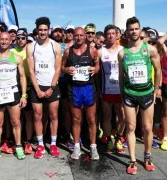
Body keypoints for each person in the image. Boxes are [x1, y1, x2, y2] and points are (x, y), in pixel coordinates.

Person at [118, 16, 162, 175]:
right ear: (127, 32)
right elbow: (121, 75)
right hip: (129, 94)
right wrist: (122, 93)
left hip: (147, 93)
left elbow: (158, 70)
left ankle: (147, 156)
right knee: (130, 127)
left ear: (140, 29)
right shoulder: (123, 53)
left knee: (147, 127)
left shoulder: (149, 49)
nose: (134, 31)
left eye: (136, 28)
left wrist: (157, 89)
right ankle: (132, 159)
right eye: (131, 29)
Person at [0, 32, 27, 161]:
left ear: (10, 41)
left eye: (6, 39)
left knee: (16, 122)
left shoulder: (17, 57)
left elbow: (22, 77)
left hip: (13, 92)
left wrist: (24, 95)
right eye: (1, 39)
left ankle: (18, 147)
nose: (3, 42)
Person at [62, 27, 100, 160]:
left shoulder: (92, 50)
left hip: (88, 88)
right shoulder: (68, 51)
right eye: (76, 36)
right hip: (74, 89)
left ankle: (93, 147)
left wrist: (95, 69)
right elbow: (62, 67)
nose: (78, 38)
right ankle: (77, 147)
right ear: (73, 37)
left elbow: (97, 65)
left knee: (91, 119)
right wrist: (67, 69)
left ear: (85, 36)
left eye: (81, 35)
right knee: (76, 119)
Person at [26, 17, 62, 159]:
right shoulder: (31, 46)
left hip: (52, 85)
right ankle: (40, 144)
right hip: (37, 86)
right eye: (40, 30)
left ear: (49, 30)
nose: (42, 32)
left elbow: (58, 68)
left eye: (45, 30)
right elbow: (31, 70)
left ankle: (53, 144)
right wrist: (38, 90)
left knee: (53, 116)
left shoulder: (55, 46)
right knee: (38, 116)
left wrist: (51, 88)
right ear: (36, 30)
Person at [98, 25, 125, 153]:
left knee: (122, 116)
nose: (110, 36)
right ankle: (109, 140)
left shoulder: (123, 50)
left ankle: (119, 138)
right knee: (107, 116)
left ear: (117, 35)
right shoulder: (100, 51)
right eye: (108, 34)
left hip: (120, 89)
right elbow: (96, 71)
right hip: (106, 89)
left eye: (113, 33)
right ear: (105, 35)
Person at [11, 28, 34, 154]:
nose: (20, 40)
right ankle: (16, 141)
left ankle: (28, 141)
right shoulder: (12, 51)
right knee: (16, 118)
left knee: (29, 116)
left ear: (26, 39)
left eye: (23, 38)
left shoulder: (30, 49)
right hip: (16, 87)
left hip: (30, 87)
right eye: (18, 38)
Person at [157, 33, 167, 150]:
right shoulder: (165, 51)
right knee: (165, 112)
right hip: (166, 83)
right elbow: (160, 42)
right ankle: (165, 137)